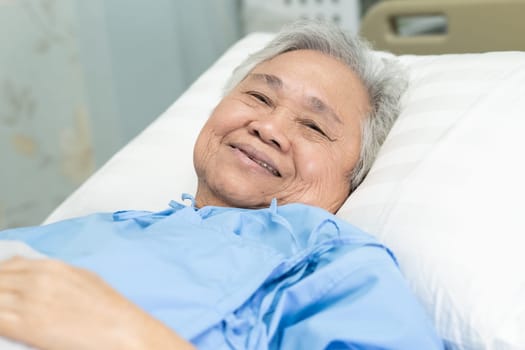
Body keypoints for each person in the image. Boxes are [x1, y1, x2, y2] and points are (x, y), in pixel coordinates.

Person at [0, 21, 443, 349]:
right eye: (259, 97)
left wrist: (130, 337)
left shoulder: (332, 266)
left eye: (312, 125)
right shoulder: (103, 227)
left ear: (355, 176)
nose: (268, 126)